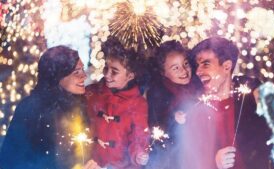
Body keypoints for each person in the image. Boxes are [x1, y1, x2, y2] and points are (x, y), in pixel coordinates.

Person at [0, 46, 99, 169]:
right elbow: (10, 161)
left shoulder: (81, 104)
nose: (84, 76)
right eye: (76, 72)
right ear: (57, 76)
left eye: (82, 69)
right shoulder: (31, 109)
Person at [188, 37, 273, 169]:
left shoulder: (250, 98)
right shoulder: (197, 109)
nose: (198, 72)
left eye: (206, 64)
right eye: (197, 66)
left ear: (227, 66)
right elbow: (190, 159)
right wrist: (214, 162)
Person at [85, 39, 149, 169]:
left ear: (130, 75)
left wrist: (138, 154)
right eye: (106, 68)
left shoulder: (138, 104)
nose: (107, 75)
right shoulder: (91, 93)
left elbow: (138, 136)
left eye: (114, 71)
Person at [145, 40, 202, 169]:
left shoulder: (198, 85)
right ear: (163, 72)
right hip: (171, 158)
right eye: (175, 68)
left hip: (198, 151)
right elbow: (156, 127)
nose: (184, 71)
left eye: (185, 64)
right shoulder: (157, 94)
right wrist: (173, 118)